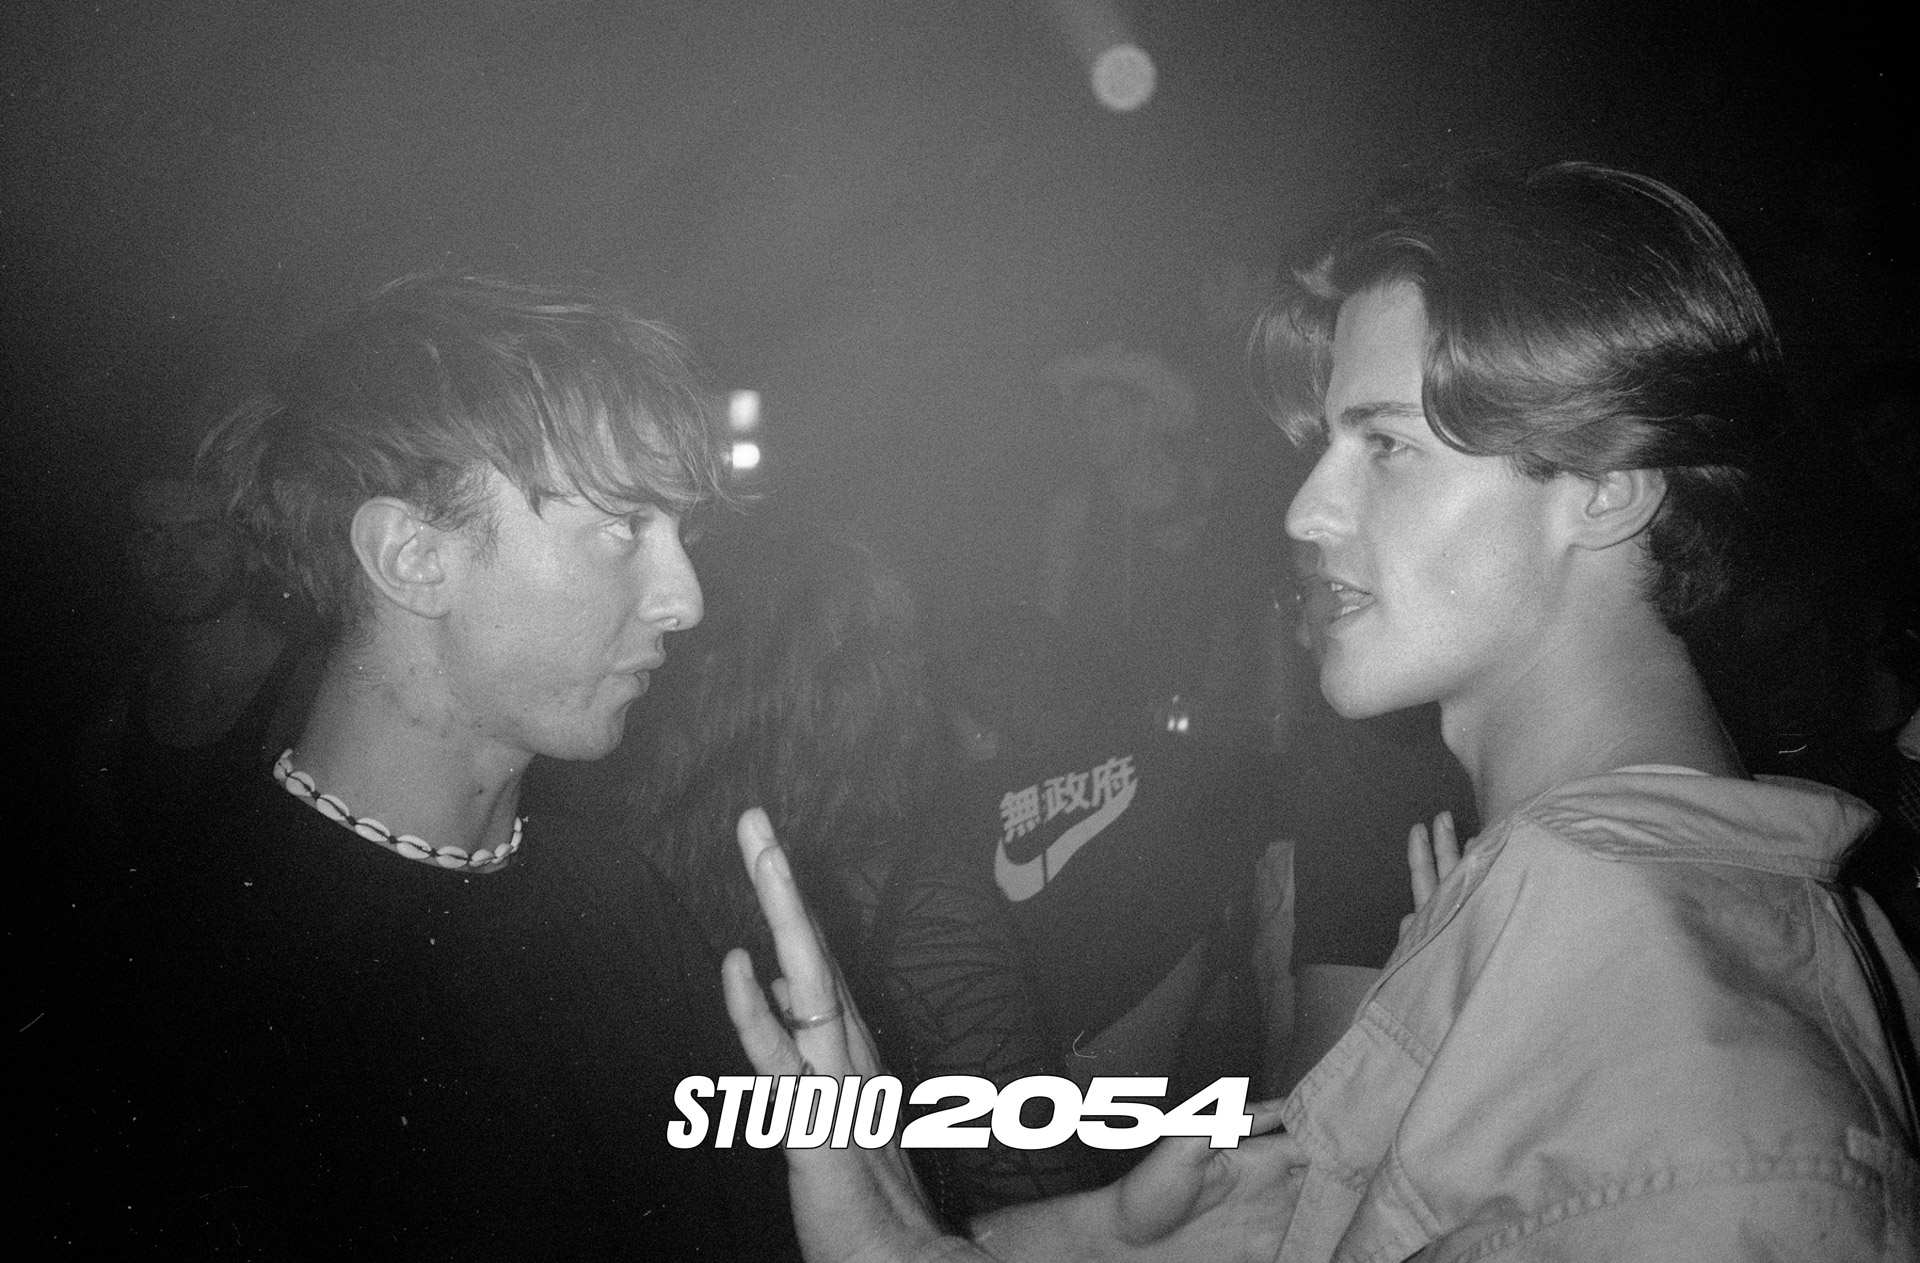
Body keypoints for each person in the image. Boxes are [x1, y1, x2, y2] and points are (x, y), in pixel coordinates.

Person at [719, 161, 1920, 1260]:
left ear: (1608, 488)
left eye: (1386, 446)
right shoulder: (1543, 911)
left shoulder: (1695, 1082)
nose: (1305, 511)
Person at [33, 274, 799, 1257]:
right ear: (412, 557)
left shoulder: (615, 896)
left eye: (680, 535)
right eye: (623, 530)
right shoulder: (186, 1003)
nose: (683, 601)